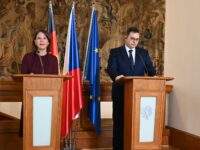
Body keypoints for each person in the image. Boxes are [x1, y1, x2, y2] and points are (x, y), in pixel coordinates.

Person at [107, 27, 156, 150]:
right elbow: (111, 68)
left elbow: (150, 69)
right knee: (119, 124)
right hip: (120, 93)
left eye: (137, 39)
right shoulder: (115, 52)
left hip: (138, 95)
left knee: (136, 123)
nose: (134, 41)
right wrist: (117, 76)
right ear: (126, 38)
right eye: (132, 39)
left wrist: (154, 76)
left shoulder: (142, 53)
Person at [19, 29, 59, 137]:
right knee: (31, 132)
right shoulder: (28, 57)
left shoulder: (53, 59)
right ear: (35, 41)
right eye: (39, 38)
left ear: (48, 42)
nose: (42, 41)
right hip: (31, 99)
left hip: (49, 100)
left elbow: (56, 81)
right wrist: (30, 78)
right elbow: (23, 79)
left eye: (44, 38)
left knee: (46, 132)